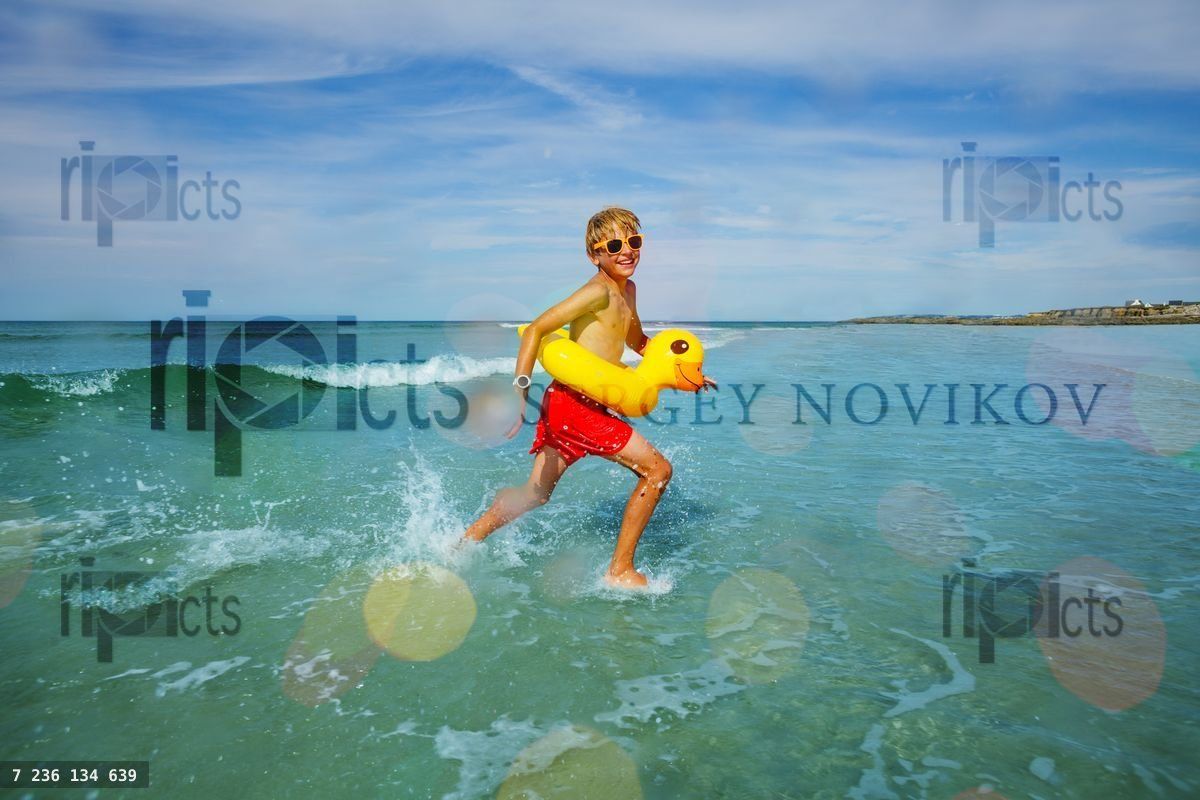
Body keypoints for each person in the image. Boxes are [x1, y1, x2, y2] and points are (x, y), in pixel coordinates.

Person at [461, 207, 715, 589]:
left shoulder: (627, 291)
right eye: (614, 245)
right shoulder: (596, 291)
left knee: (535, 494)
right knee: (658, 471)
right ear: (594, 255)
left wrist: (684, 372)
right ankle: (620, 571)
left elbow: (637, 342)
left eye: (634, 241)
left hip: (582, 403)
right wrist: (521, 391)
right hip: (573, 405)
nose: (626, 251)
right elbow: (536, 329)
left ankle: (466, 541)